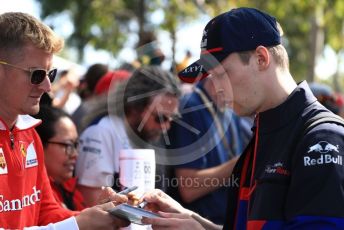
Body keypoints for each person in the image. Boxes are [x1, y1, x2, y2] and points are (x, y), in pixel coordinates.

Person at [140, 7, 344, 229]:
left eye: (222, 74)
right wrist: (191, 220)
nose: (216, 88)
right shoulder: (263, 135)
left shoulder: (322, 139)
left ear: (261, 58)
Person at [0, 11, 129, 229]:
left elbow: (46, 211)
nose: (47, 87)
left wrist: (94, 215)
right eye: (37, 74)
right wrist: (79, 224)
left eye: (50, 75)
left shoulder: (29, 134)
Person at [75, 66, 181, 206]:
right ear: (135, 107)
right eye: (161, 118)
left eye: (171, 118)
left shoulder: (145, 135)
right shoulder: (101, 133)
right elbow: (91, 204)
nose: (166, 126)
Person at [167, 77, 252, 224]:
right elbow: (188, 188)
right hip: (200, 223)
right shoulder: (189, 108)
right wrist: (240, 163)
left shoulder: (230, 108)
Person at [34, 105, 86, 211]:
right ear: (39, 145)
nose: (75, 154)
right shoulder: (33, 195)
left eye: (76, 144)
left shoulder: (68, 187)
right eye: (67, 145)